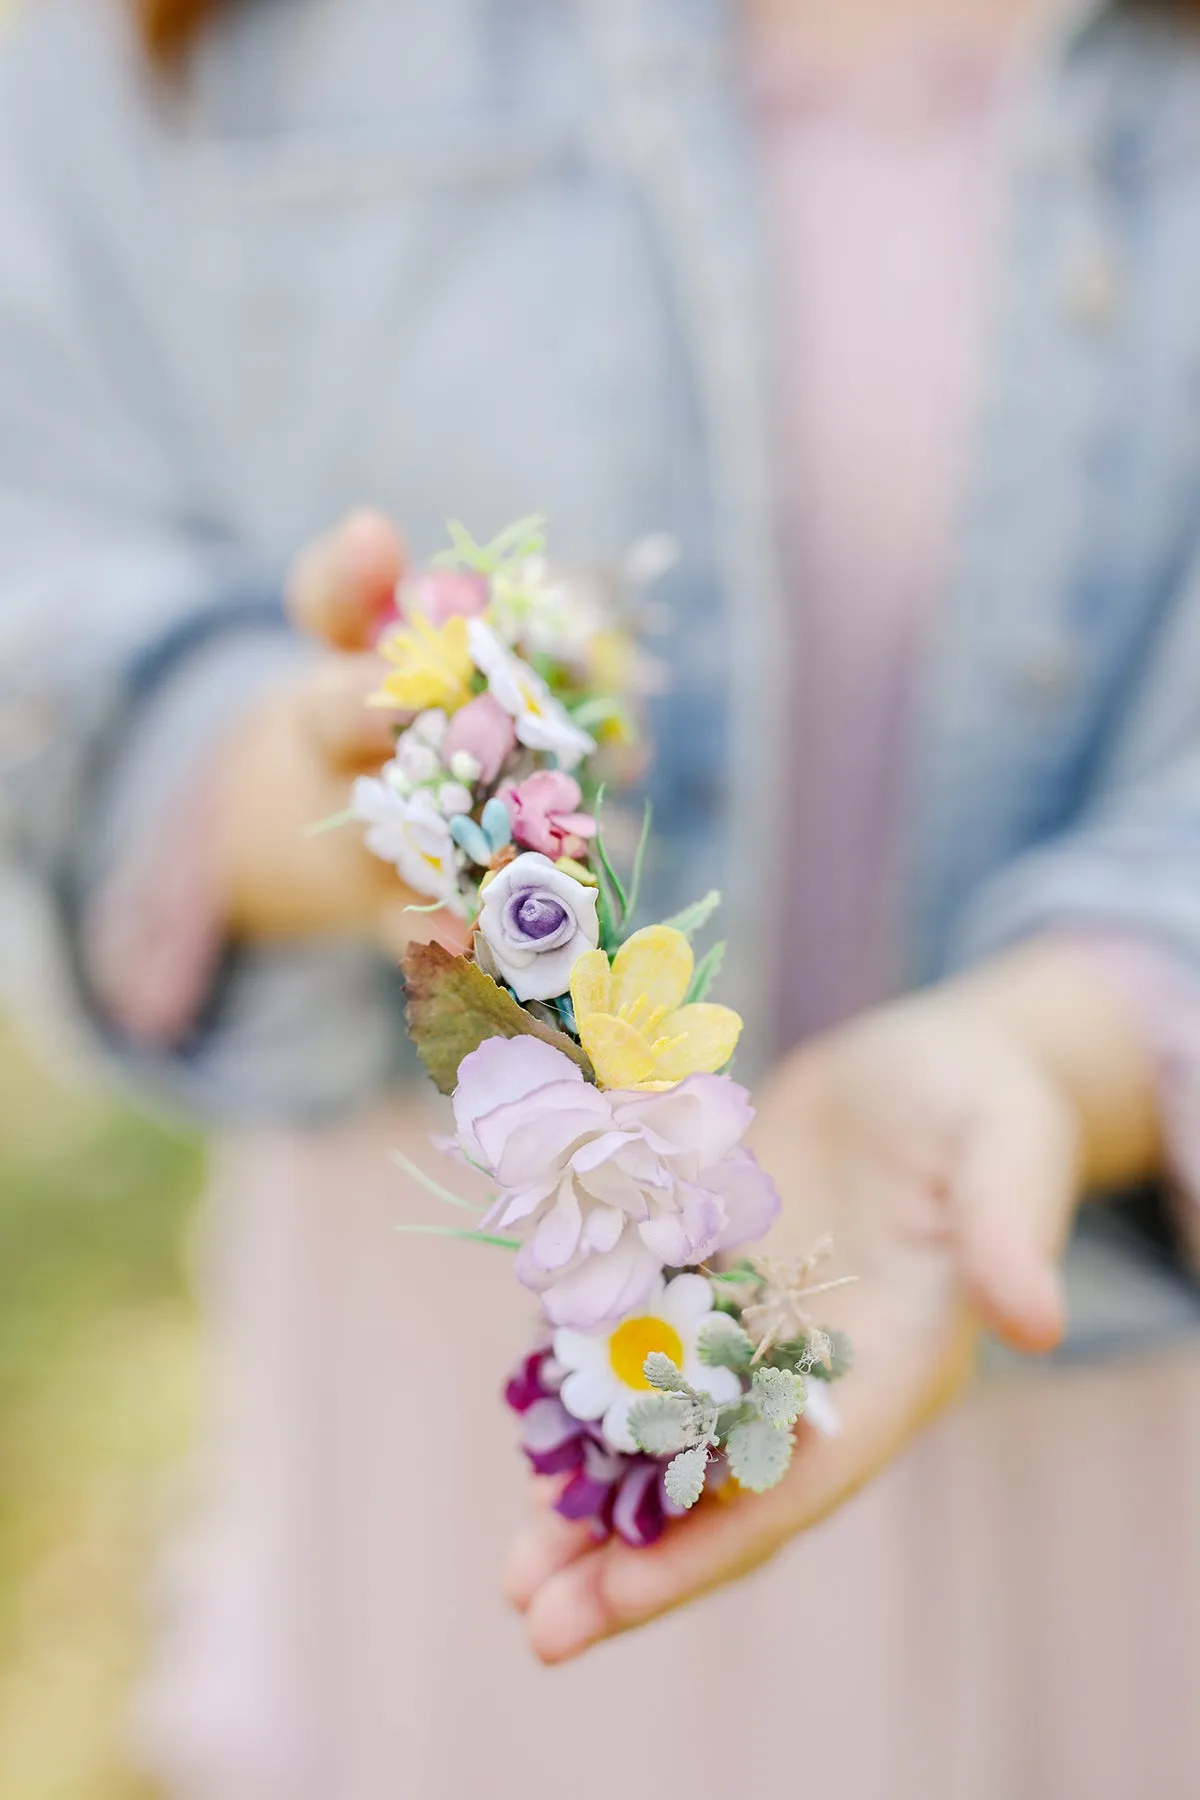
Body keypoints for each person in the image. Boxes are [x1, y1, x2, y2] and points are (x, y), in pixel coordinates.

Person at [3, 0, 1200, 1793]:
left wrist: (1060, 1047)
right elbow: (52, 529)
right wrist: (288, 772)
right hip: (443, 1403)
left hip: (1105, 1434)